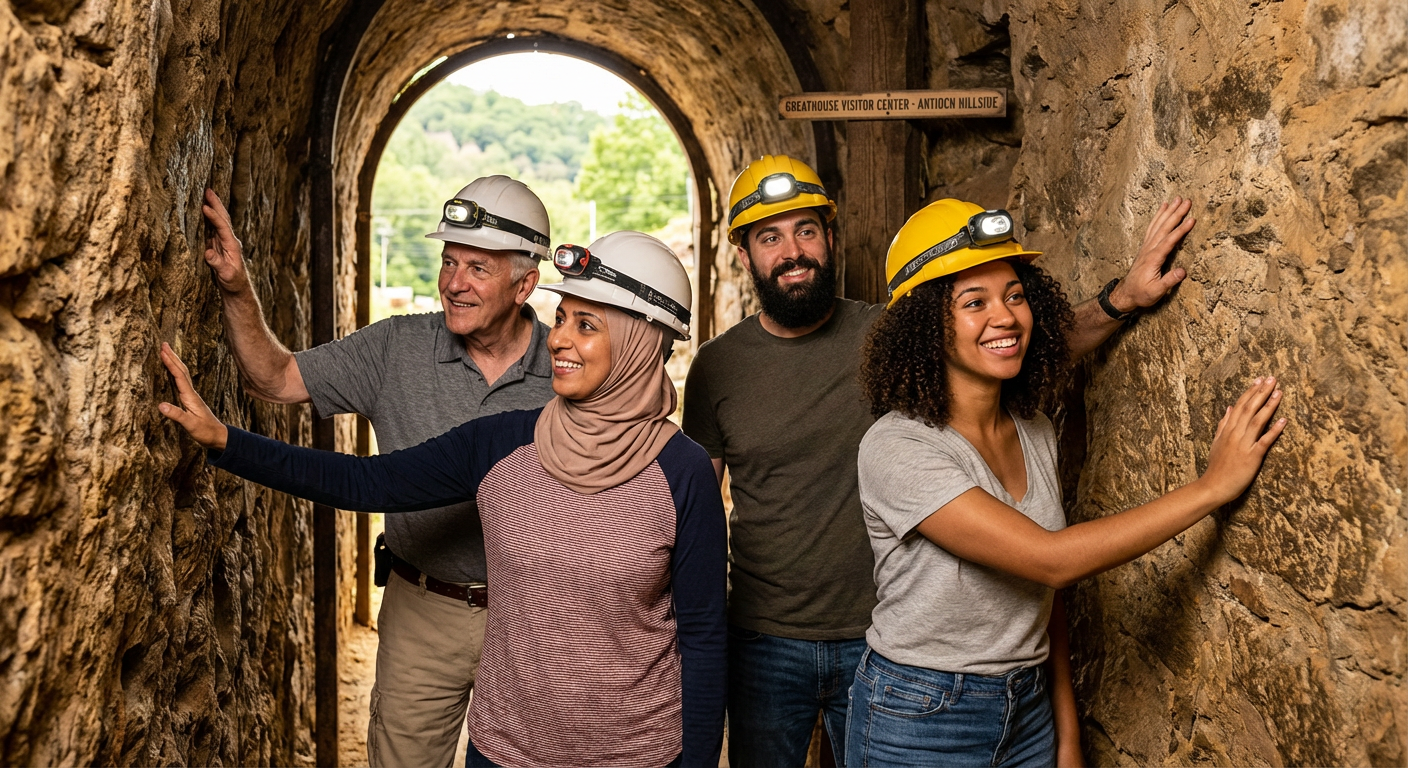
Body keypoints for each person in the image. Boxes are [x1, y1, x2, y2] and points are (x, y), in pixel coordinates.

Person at [681, 154, 1196, 766]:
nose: (793, 251)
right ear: (744, 255)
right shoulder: (717, 366)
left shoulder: (892, 334)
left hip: (877, 629)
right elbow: (697, 518)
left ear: (831, 237)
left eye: (807, 230)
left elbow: (1020, 345)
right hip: (766, 637)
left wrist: (1122, 299)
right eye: (771, 236)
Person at [159, 232, 726, 768]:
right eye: (560, 320)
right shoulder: (503, 443)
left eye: (586, 325)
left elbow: (702, 634)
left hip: (638, 752)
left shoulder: (683, 473)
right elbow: (366, 482)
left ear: (639, 342)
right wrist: (227, 442)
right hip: (510, 750)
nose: (557, 339)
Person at [846, 199, 1286, 767]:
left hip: (1027, 709)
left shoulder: (1031, 426)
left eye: (1015, 295)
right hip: (920, 717)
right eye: (973, 302)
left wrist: (1066, 732)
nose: (1005, 317)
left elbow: (1041, 598)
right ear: (924, 326)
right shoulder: (898, 447)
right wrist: (1210, 488)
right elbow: (1050, 561)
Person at [200, 175, 556, 767]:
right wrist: (237, 289)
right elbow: (276, 377)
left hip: (536, 615)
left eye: (477, 268)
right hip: (424, 612)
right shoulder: (397, 347)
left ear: (525, 284)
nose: (453, 283)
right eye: (449, 261)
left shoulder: (566, 368)